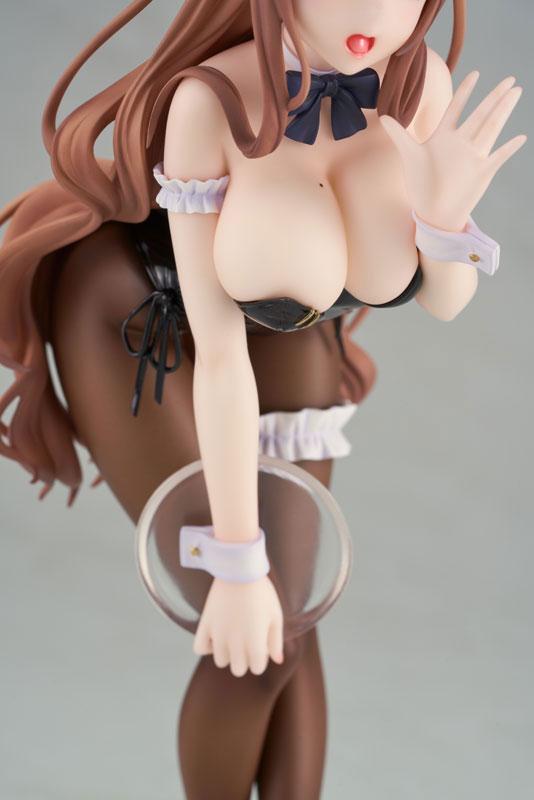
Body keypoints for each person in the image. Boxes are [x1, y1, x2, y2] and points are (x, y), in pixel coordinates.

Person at [0, 1, 525, 797]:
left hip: (289, 326)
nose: (372, 15)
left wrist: (446, 219)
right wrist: (238, 561)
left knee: (293, 622)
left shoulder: (418, 87)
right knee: (252, 642)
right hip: (142, 317)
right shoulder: (210, 101)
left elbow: (444, 301)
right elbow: (219, 355)